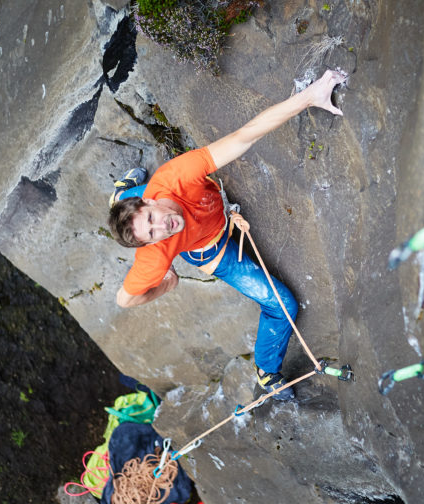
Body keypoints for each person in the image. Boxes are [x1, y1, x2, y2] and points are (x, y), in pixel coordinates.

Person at [108, 70, 346, 400]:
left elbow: (244, 137)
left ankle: (122, 194)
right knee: (282, 305)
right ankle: (266, 371)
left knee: (143, 197)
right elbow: (124, 299)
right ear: (149, 245)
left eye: (152, 218)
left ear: (148, 203)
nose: (163, 227)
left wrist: (310, 96)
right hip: (210, 248)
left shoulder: (177, 175)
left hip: (172, 193)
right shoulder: (155, 254)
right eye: (152, 234)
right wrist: (166, 285)